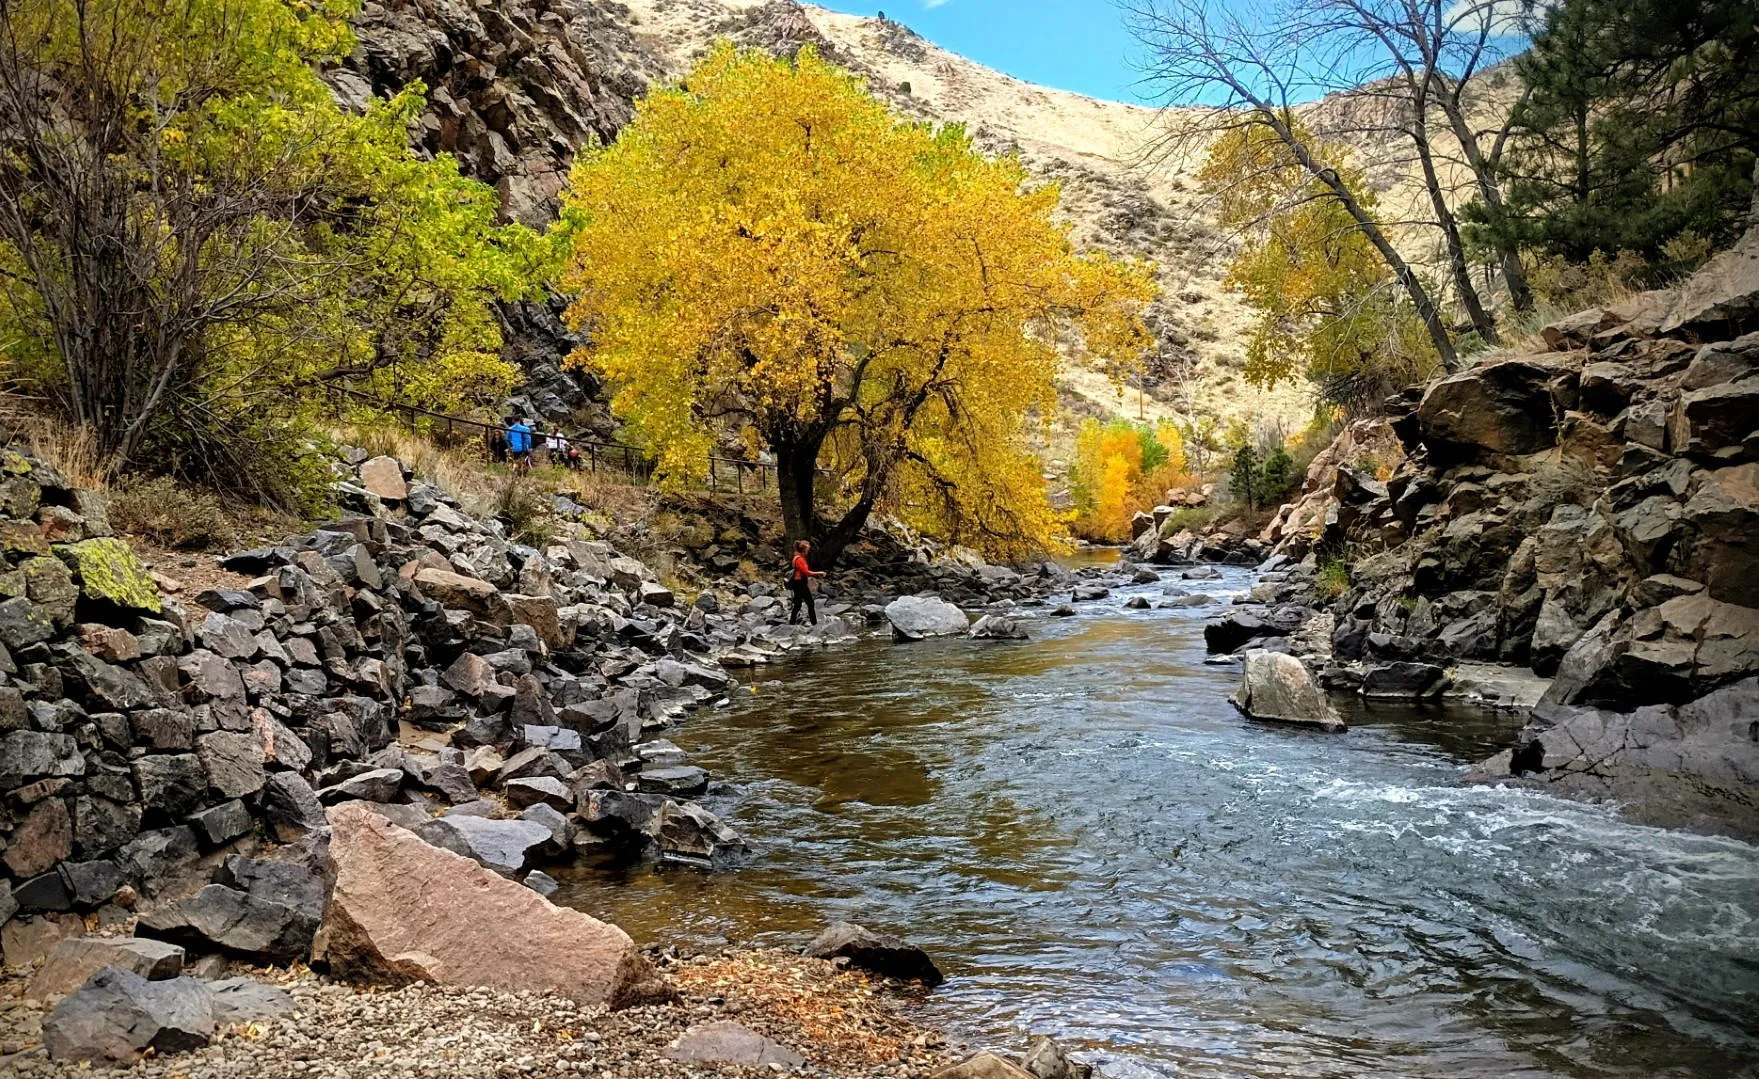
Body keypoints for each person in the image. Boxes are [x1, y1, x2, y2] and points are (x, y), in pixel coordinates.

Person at [788, 539, 826, 626]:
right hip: (800, 583)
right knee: (810, 603)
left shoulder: (796, 557)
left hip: (797, 583)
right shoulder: (799, 559)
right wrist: (820, 573)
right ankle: (814, 624)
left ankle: (792, 623)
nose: (808, 551)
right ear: (804, 550)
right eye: (807, 549)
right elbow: (807, 572)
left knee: (797, 604)